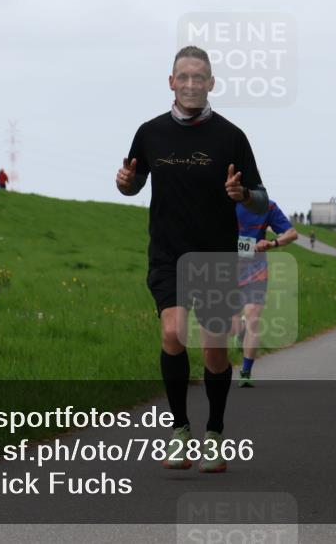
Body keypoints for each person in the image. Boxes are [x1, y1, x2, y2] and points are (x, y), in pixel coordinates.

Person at [116, 45, 268, 473]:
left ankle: (215, 433)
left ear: (211, 83)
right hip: (167, 253)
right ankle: (180, 430)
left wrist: (243, 195)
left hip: (216, 256)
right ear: (171, 82)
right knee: (173, 332)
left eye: (199, 77)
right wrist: (126, 182)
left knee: (215, 351)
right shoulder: (150, 133)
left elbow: (261, 199)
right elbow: (133, 182)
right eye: (183, 76)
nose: (190, 84)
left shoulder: (231, 137)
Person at [231, 199, 297, 387]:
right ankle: (240, 330)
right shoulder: (223, 201)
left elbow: (292, 234)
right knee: (232, 327)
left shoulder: (267, 206)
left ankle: (245, 371)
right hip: (226, 268)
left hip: (255, 269)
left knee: (253, 317)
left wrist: (272, 243)